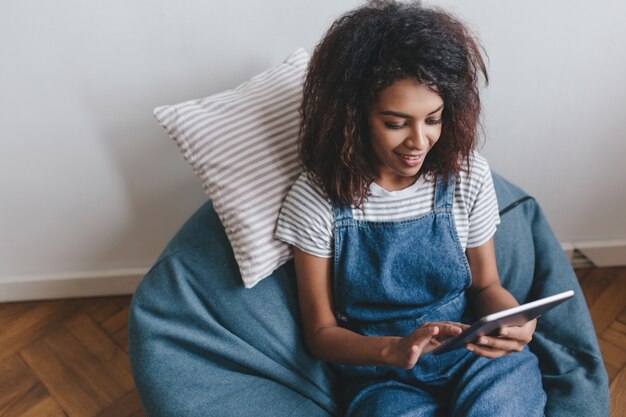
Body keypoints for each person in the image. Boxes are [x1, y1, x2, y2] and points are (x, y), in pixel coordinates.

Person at [274, 1, 547, 415]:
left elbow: (485, 286)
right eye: (396, 123)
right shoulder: (316, 198)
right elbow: (320, 333)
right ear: (352, 117)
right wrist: (393, 350)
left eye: (432, 119)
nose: (419, 141)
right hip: (382, 374)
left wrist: (515, 322)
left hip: (472, 355)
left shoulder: (466, 175)